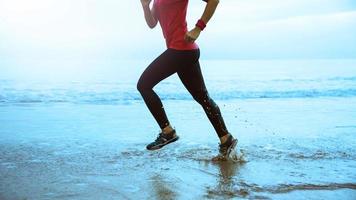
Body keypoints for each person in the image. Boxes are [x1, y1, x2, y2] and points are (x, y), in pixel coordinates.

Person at [137, 0, 237, 157]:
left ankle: (167, 131)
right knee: (202, 98)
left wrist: (198, 28)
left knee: (143, 85)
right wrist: (144, 6)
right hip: (183, 51)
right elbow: (152, 23)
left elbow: (214, 1)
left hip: (181, 50)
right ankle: (226, 139)